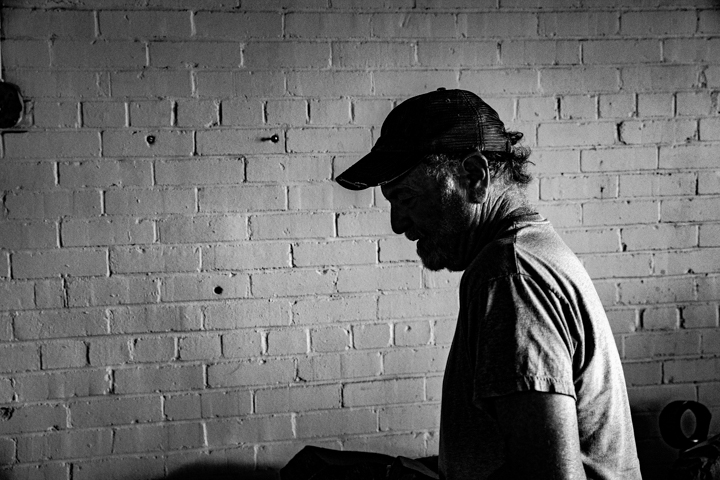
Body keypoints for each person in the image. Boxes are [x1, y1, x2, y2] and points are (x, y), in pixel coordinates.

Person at [335, 89, 643, 480]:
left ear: (475, 176)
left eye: (407, 198)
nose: (397, 223)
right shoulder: (530, 254)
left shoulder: (510, 277)